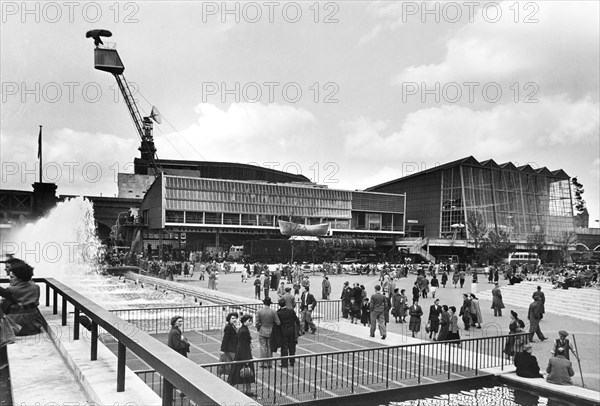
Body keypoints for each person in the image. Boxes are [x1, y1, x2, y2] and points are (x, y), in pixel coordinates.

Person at [1, 259, 45, 336]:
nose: (9, 279)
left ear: (19, 278)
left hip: (17, 325)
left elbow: (3, 307)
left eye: (12, 277)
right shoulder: (36, 287)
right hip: (33, 324)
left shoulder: (11, 290)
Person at [228, 314, 256, 397]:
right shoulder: (244, 331)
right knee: (246, 372)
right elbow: (243, 345)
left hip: (241, 353)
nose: (250, 322)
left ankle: (246, 389)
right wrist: (246, 359)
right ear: (244, 321)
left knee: (237, 372)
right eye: (249, 321)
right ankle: (247, 390)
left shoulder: (243, 329)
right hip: (244, 354)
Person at [255, 297, 280, 368]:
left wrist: (259, 328)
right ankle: (269, 363)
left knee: (263, 347)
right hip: (271, 331)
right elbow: (278, 322)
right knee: (269, 347)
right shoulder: (273, 311)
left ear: (264, 303)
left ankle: (262, 363)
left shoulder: (259, 311)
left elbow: (257, 322)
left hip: (262, 330)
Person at [275, 298, 300, 367]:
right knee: (292, 347)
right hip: (292, 331)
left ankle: (284, 363)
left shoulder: (279, 313)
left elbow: (278, 323)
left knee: (284, 348)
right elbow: (297, 320)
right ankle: (292, 361)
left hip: (283, 332)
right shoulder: (291, 311)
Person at [218, 312, 239, 376]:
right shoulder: (228, 327)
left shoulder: (232, 326)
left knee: (229, 363)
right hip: (230, 349)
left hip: (232, 348)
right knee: (231, 363)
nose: (234, 319)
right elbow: (225, 339)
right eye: (232, 318)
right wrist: (222, 349)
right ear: (229, 319)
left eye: (235, 318)